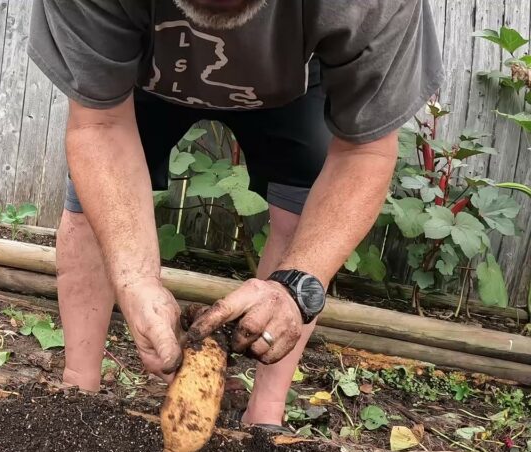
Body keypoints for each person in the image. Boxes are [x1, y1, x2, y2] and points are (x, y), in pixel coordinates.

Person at [28, 0, 443, 428]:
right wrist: (134, 279)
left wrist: (295, 286)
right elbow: (99, 126)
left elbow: (365, 150)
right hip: (141, 63)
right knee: (91, 211)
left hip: (294, 77)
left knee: (303, 220)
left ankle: (264, 421)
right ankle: (76, 398)